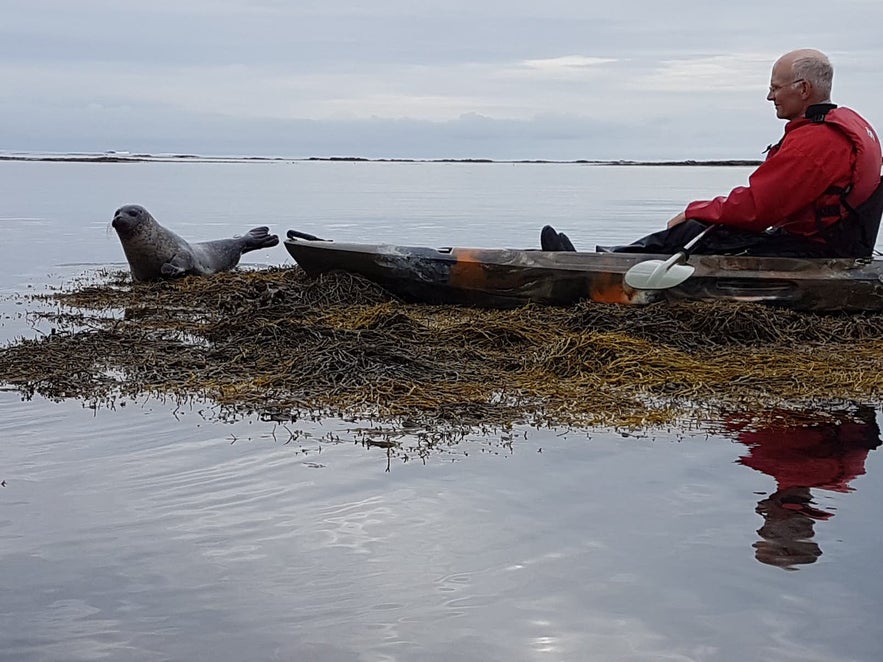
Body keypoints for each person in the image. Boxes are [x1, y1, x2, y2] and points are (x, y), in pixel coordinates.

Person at [542, 49, 883, 258]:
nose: (769, 97)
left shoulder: (817, 143)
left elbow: (756, 210)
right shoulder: (840, 127)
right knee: (703, 230)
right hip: (827, 243)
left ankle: (598, 266)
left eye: (775, 88)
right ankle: (608, 258)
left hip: (816, 251)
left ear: (804, 89)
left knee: (694, 231)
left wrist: (696, 210)